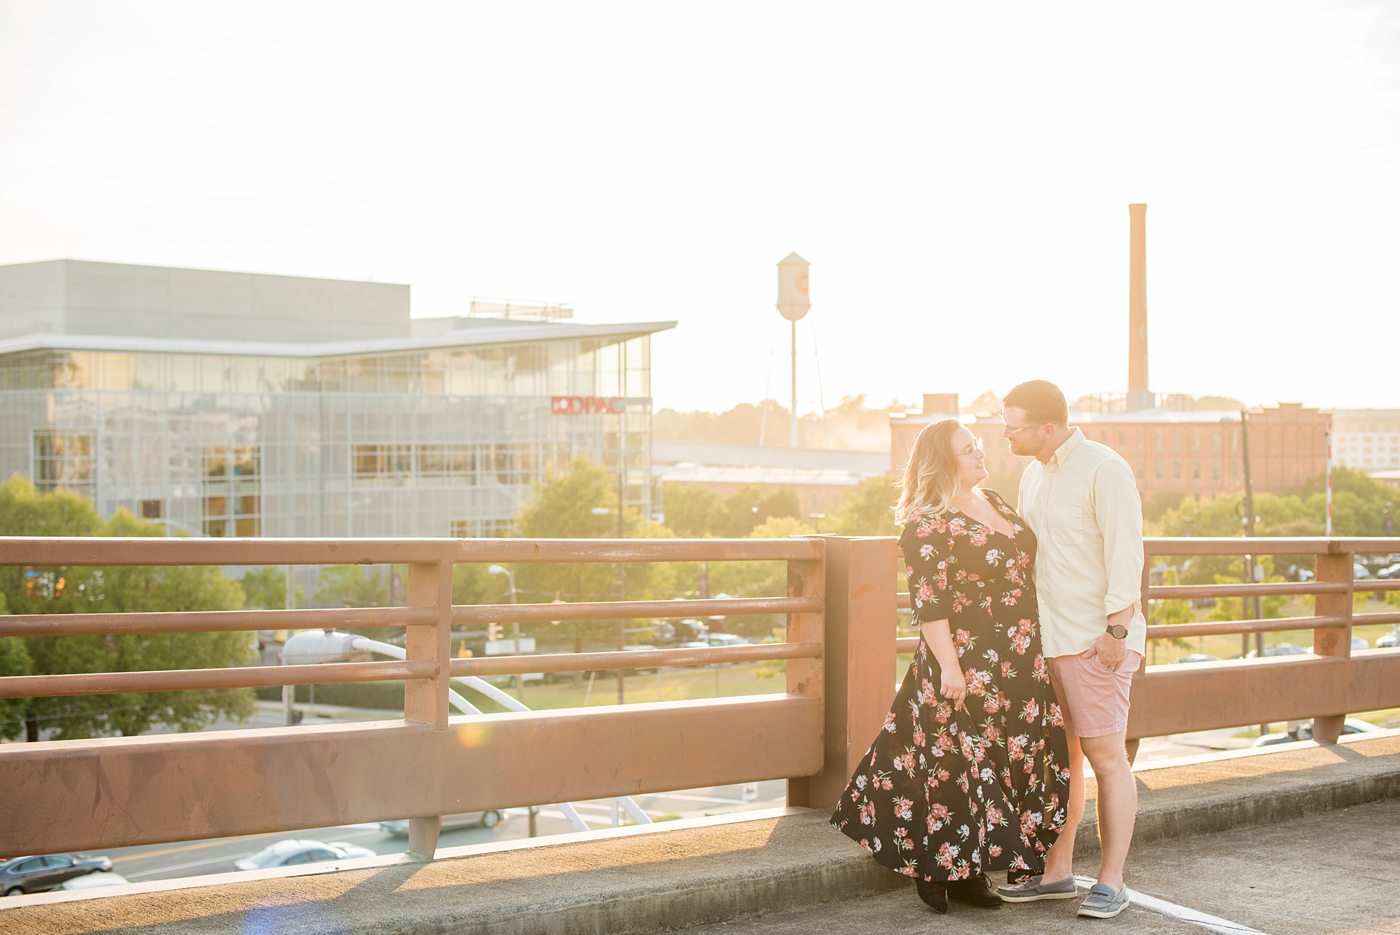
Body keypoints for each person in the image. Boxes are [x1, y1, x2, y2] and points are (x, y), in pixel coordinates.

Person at [830, 418, 1071, 915]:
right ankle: (939, 868)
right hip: (965, 658)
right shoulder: (927, 522)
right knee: (958, 765)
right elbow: (929, 602)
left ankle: (971, 868)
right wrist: (950, 668)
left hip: (1020, 656)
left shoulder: (997, 502)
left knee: (1004, 760)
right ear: (943, 462)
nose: (981, 454)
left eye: (978, 446)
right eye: (968, 450)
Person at [995, 380, 1146, 920]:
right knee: (1064, 766)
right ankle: (1057, 874)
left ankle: (1112, 882)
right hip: (1047, 643)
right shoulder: (1032, 475)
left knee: (1108, 760)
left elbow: (1127, 551)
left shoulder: (1104, 468)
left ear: (1047, 427)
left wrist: (1118, 631)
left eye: (1012, 424)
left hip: (1094, 642)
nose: (1004, 432)